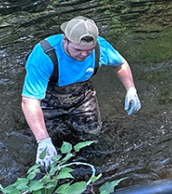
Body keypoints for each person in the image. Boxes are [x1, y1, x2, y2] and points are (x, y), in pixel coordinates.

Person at [22, 16, 141, 169]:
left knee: (93, 135)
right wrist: (43, 140)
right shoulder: (44, 56)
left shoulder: (101, 48)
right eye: (78, 50)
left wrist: (131, 89)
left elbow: (120, 64)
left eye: (89, 51)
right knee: (49, 151)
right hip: (47, 102)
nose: (84, 55)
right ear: (65, 40)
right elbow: (30, 101)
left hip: (81, 98)